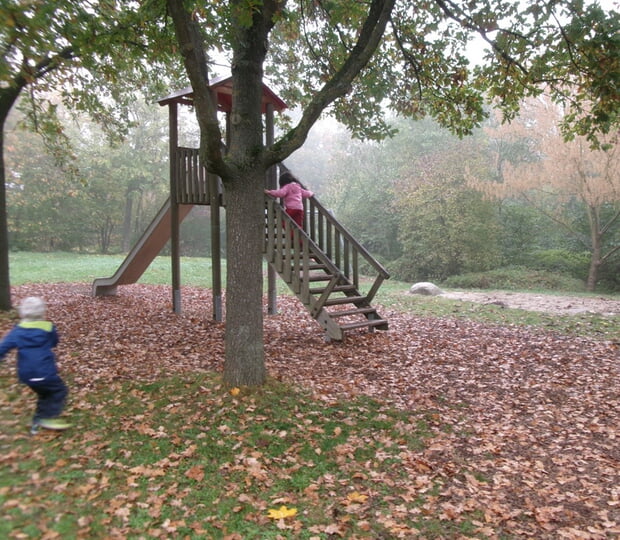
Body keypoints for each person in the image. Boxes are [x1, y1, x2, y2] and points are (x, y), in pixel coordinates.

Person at [0, 296, 70, 434]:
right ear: (43, 312)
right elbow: (54, 342)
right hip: (44, 372)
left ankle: (36, 424)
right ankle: (48, 417)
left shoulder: (17, 331)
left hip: (26, 374)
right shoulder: (48, 327)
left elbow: (3, 347)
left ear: (22, 313)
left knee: (44, 394)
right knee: (59, 391)